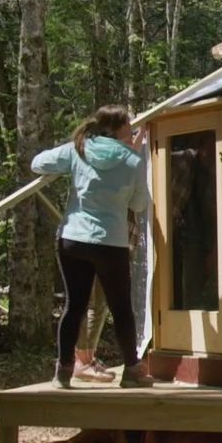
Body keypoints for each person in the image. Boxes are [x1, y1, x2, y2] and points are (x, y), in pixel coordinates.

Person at [32, 104, 154, 389]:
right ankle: (132, 371)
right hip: (110, 243)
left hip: (73, 239)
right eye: (129, 124)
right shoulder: (132, 160)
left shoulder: (79, 148)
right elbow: (139, 204)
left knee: (73, 306)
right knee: (121, 307)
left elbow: (38, 163)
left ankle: (63, 371)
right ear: (120, 128)